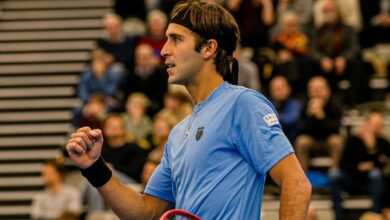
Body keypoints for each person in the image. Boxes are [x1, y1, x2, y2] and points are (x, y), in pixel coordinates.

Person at [66, 1, 311, 219]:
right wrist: (94, 168)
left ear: (208, 48)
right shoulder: (178, 133)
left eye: (176, 39)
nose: (163, 50)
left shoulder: (243, 104)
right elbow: (146, 211)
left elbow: (296, 183)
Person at [329, 111, 390, 220]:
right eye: (374, 124)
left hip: (370, 184)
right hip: (351, 180)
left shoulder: (383, 143)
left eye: (379, 125)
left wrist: (372, 149)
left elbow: (383, 166)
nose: (376, 128)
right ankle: (338, 216)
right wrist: (359, 168)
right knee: (334, 175)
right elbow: (344, 164)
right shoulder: (353, 141)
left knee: (376, 174)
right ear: (366, 124)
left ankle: (375, 214)